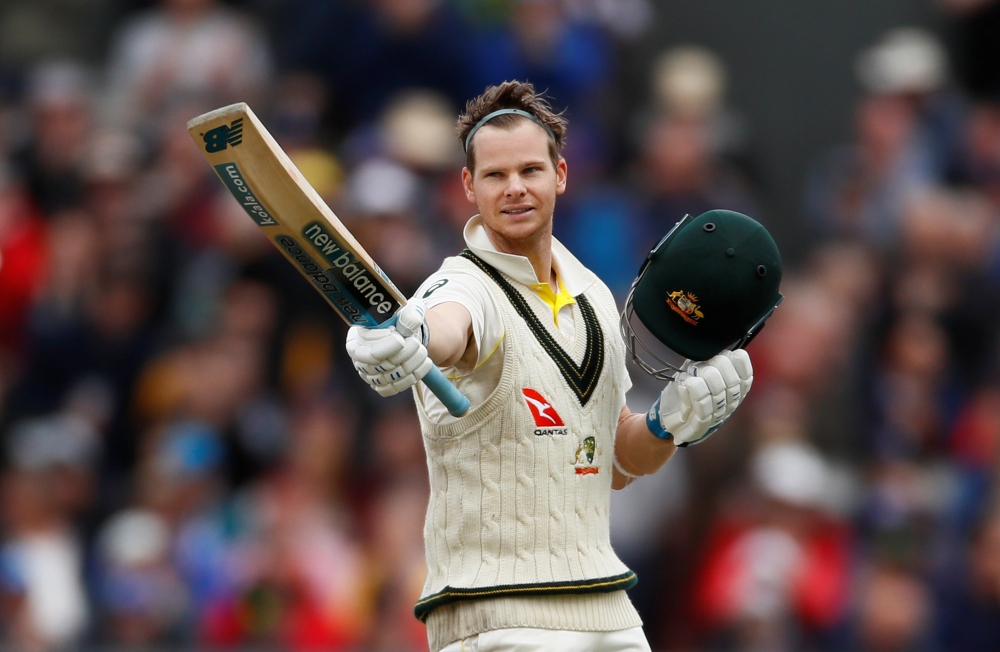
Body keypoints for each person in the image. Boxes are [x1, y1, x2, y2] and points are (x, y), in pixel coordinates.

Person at [344, 80, 754, 652]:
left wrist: (667, 426)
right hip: (498, 610)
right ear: (468, 185)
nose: (514, 188)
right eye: (494, 175)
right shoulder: (460, 284)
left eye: (530, 171)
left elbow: (612, 459)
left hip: (603, 604)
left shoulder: (593, 296)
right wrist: (407, 340)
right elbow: (444, 327)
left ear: (560, 175)